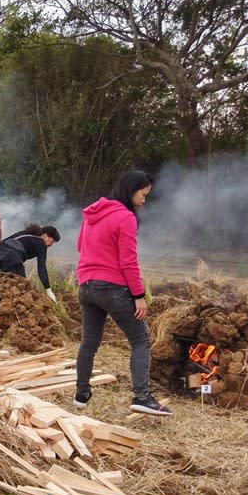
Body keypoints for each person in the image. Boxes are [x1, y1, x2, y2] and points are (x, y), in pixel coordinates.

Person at [75, 169, 171, 415]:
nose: (143, 200)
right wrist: (139, 296)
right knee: (140, 340)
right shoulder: (125, 217)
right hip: (113, 288)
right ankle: (142, 396)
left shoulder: (91, 214)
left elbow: (79, 246)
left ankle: (81, 394)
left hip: (86, 286)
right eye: (143, 194)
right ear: (131, 190)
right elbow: (128, 261)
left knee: (89, 342)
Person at [0, 225, 61, 301]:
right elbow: (41, 268)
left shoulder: (25, 233)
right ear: (46, 236)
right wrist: (48, 290)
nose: (51, 245)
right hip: (11, 258)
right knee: (19, 289)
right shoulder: (41, 243)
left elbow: (3, 242)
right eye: (52, 241)